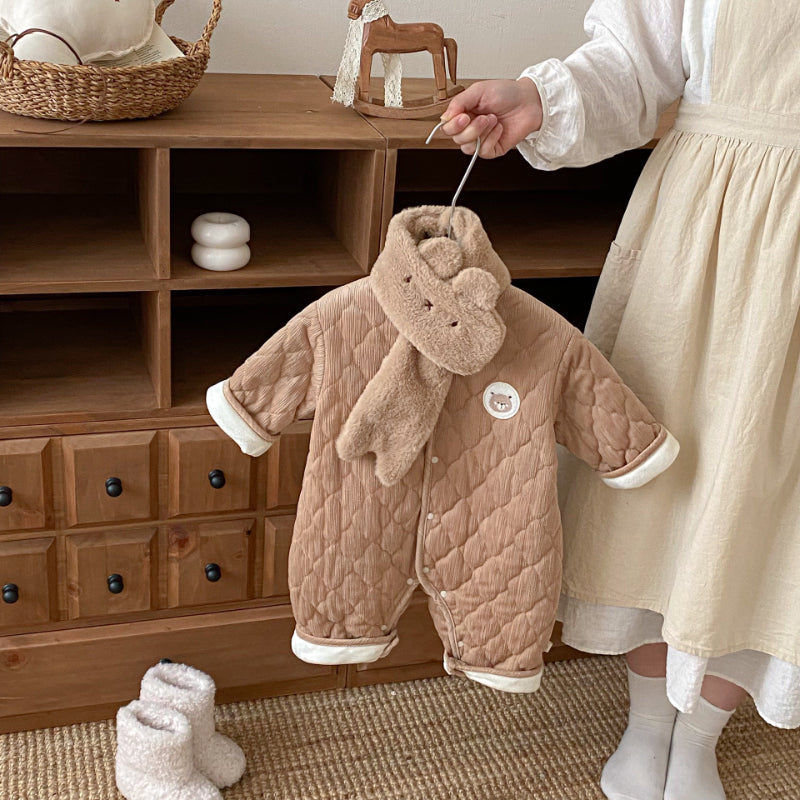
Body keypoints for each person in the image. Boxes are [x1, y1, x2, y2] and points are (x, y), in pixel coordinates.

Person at [439, 1, 800, 799]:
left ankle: (699, 740)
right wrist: (538, 99)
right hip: (701, 241)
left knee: (772, 510)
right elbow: (633, 62)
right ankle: (647, 724)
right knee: (656, 478)